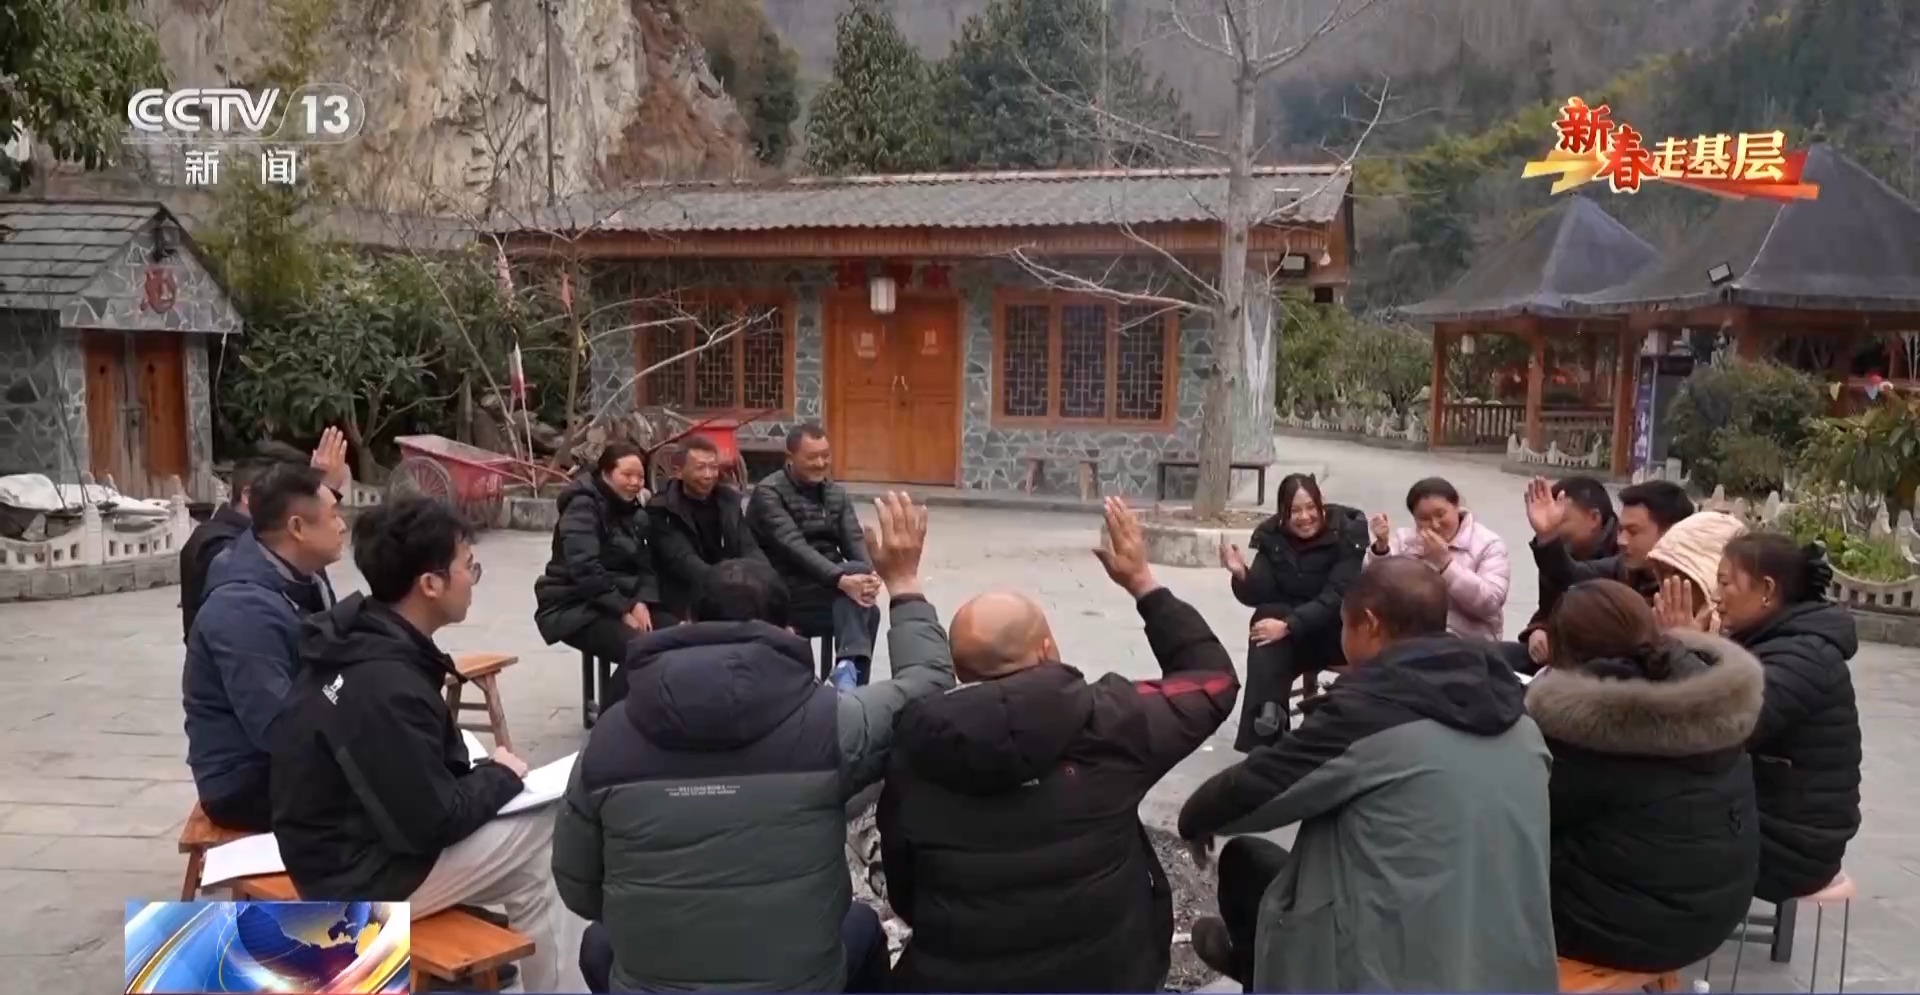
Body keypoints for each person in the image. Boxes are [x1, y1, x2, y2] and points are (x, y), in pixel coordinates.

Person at [556, 492, 955, 994]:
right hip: (798, 983)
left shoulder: (610, 739)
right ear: (788, 631)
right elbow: (929, 689)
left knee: (599, 944)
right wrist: (904, 585)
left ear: (689, 624)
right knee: (861, 926)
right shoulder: (832, 722)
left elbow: (580, 888)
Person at [877, 497, 1239, 993]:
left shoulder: (914, 748)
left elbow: (904, 889)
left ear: (958, 669)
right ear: (1048, 649)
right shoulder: (1112, 719)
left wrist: (903, 586)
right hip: (1113, 975)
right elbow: (1213, 681)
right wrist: (1142, 582)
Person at [1180, 557, 1556, 993]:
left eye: (1344, 624)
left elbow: (1253, 791)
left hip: (1399, 973)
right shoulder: (1519, 715)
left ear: (1370, 624)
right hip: (1515, 964)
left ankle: (1256, 972)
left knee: (1248, 863)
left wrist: (1194, 819)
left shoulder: (1370, 715)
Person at [271, 497, 587, 993]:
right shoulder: (384, 682)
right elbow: (432, 823)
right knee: (549, 832)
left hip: (341, 849)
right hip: (353, 881)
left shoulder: (360, 637)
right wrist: (500, 776)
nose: (472, 580)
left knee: (529, 850)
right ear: (430, 584)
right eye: (468, 566)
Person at [1525, 579, 1763, 974]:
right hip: (1718, 909)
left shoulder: (1583, 732)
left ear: (1564, 652)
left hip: (1632, 929)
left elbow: (1528, 817)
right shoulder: (1708, 693)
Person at [182, 463, 345, 831]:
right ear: (297, 528)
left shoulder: (302, 578)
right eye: (333, 515)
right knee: (396, 794)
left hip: (284, 760)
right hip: (245, 781)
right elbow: (278, 728)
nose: (342, 526)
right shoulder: (242, 608)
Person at [1714, 532, 1861, 905]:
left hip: (1791, 848)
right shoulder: (1772, 639)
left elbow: (1724, 727)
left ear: (1767, 589)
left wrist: (1683, 651)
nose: (1716, 596)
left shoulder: (1803, 656)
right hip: (1766, 818)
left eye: (1726, 583)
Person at [1220, 473, 1365, 751]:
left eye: (1311, 508)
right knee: (1266, 615)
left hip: (1336, 634)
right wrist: (1241, 574)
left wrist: (1288, 625)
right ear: (1283, 513)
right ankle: (1269, 716)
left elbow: (1336, 597)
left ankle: (1266, 723)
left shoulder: (1347, 535)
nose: (1304, 517)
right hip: (1293, 638)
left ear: (1321, 505)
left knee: (1273, 628)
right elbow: (1261, 593)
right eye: (1295, 510)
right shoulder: (1273, 537)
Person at [179, 430, 349, 641]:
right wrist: (325, 493)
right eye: (298, 494)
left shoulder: (273, 538)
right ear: (249, 496)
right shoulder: (218, 549)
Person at [534, 442, 666, 709]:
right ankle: (612, 718)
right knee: (642, 650)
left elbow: (646, 564)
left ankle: (658, 712)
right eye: (626, 475)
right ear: (606, 472)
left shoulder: (635, 510)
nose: (634, 482)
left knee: (678, 637)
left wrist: (640, 601)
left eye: (640, 476)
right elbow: (584, 568)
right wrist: (623, 609)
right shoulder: (583, 506)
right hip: (574, 604)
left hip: (621, 598)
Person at [748, 423, 882, 685]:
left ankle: (850, 683)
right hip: (783, 590)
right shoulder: (769, 493)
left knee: (866, 602)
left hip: (826, 586)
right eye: (812, 457)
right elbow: (793, 546)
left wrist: (870, 575)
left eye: (826, 456)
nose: (821, 463)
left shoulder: (835, 493)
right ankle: (847, 677)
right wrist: (841, 580)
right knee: (859, 598)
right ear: (790, 458)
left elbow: (853, 538)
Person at [1366, 476, 1512, 640]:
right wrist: (1381, 548)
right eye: (1424, 519)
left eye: (1441, 514)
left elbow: (1490, 603)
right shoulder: (1405, 541)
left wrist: (1446, 565)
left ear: (1456, 506)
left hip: (1467, 642)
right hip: (1410, 639)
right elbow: (1373, 586)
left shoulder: (1488, 544)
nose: (1435, 525)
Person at [648, 435, 766, 621]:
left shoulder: (729, 501)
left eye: (713, 467)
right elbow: (684, 561)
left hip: (730, 588)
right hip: (685, 595)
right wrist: (730, 589)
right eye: (700, 468)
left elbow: (748, 547)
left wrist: (765, 580)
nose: (708, 475)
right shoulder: (662, 508)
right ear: (678, 472)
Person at [1529, 478, 1694, 604]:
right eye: (1621, 530)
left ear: (1671, 532)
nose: (1621, 541)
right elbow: (1569, 574)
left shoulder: (1696, 588)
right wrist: (1547, 534)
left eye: (1633, 531)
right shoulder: (1621, 569)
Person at [1514, 475, 1617, 667]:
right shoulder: (1557, 550)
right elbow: (1548, 608)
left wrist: (1547, 536)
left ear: (1594, 518)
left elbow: (1571, 577)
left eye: (1559, 519)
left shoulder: (1624, 556)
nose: (1552, 526)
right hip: (1557, 652)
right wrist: (1537, 630)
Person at [1646, 510, 1747, 633]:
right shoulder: (1657, 621)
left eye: (1677, 571)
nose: (1668, 581)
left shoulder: (1739, 634)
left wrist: (1685, 638)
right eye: (1662, 573)